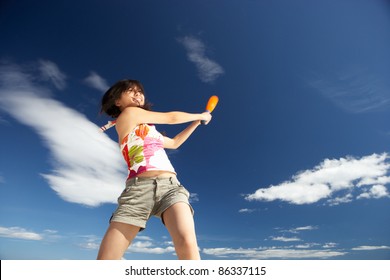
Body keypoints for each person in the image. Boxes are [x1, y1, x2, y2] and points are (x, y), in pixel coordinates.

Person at [97, 79, 212, 260]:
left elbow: (175, 143)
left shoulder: (149, 130)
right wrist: (201, 115)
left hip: (171, 188)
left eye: (140, 92)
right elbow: (171, 118)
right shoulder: (130, 114)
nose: (138, 94)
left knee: (187, 243)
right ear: (117, 101)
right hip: (138, 189)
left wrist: (197, 122)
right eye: (130, 91)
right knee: (107, 259)